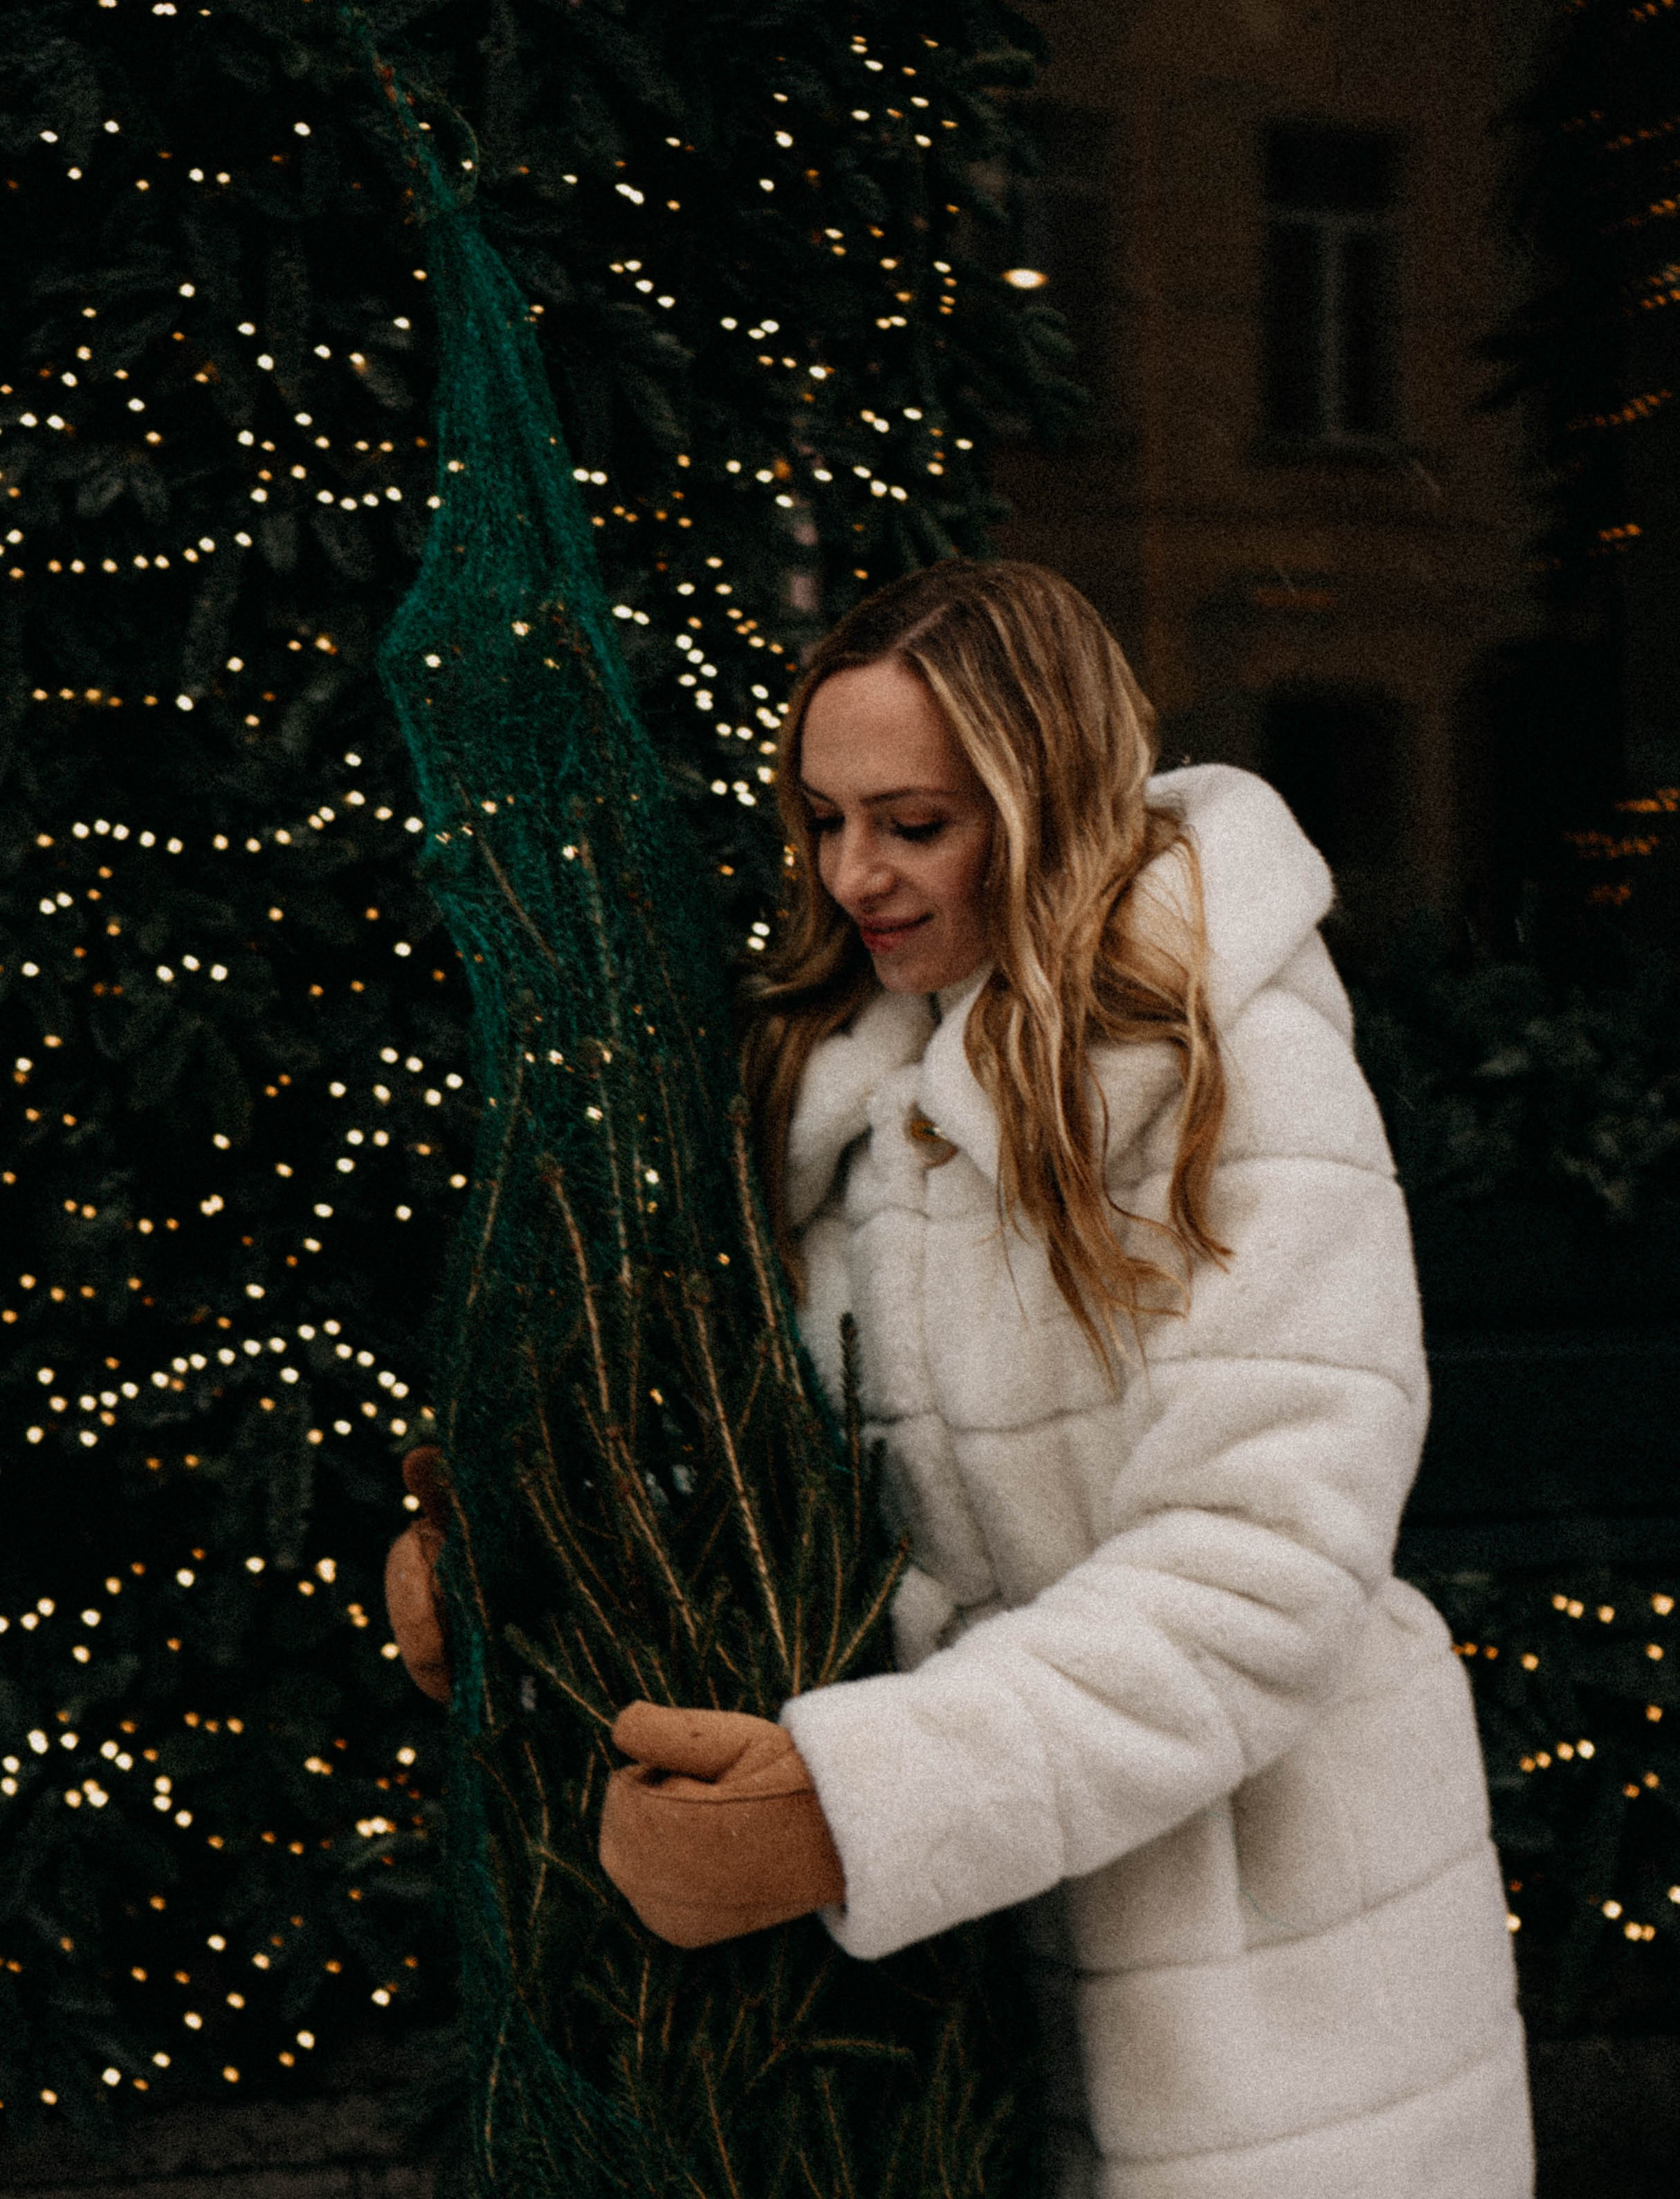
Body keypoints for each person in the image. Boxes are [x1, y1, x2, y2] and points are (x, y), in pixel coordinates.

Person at [393, 560, 1535, 2198]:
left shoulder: (1229, 1061)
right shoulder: (836, 1080)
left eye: (913, 822)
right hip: (939, 1995)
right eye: (819, 819)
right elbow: (778, 1470)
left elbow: (1265, 1563)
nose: (852, 872)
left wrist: (869, 1799)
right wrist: (535, 1569)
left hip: (1253, 1971)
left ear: (1045, 796)